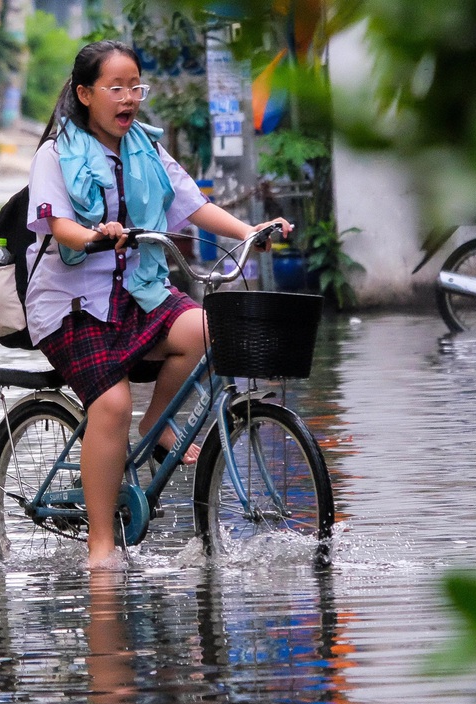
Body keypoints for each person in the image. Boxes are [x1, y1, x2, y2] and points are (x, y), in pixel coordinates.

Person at [25, 40, 292, 569]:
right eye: (116, 88)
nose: (129, 99)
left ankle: (156, 425)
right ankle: (101, 547)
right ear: (85, 94)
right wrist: (96, 235)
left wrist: (250, 231)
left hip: (138, 292)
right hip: (72, 304)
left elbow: (194, 204)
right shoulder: (54, 154)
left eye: (135, 88)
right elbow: (59, 227)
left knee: (206, 328)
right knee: (111, 405)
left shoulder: (147, 149)